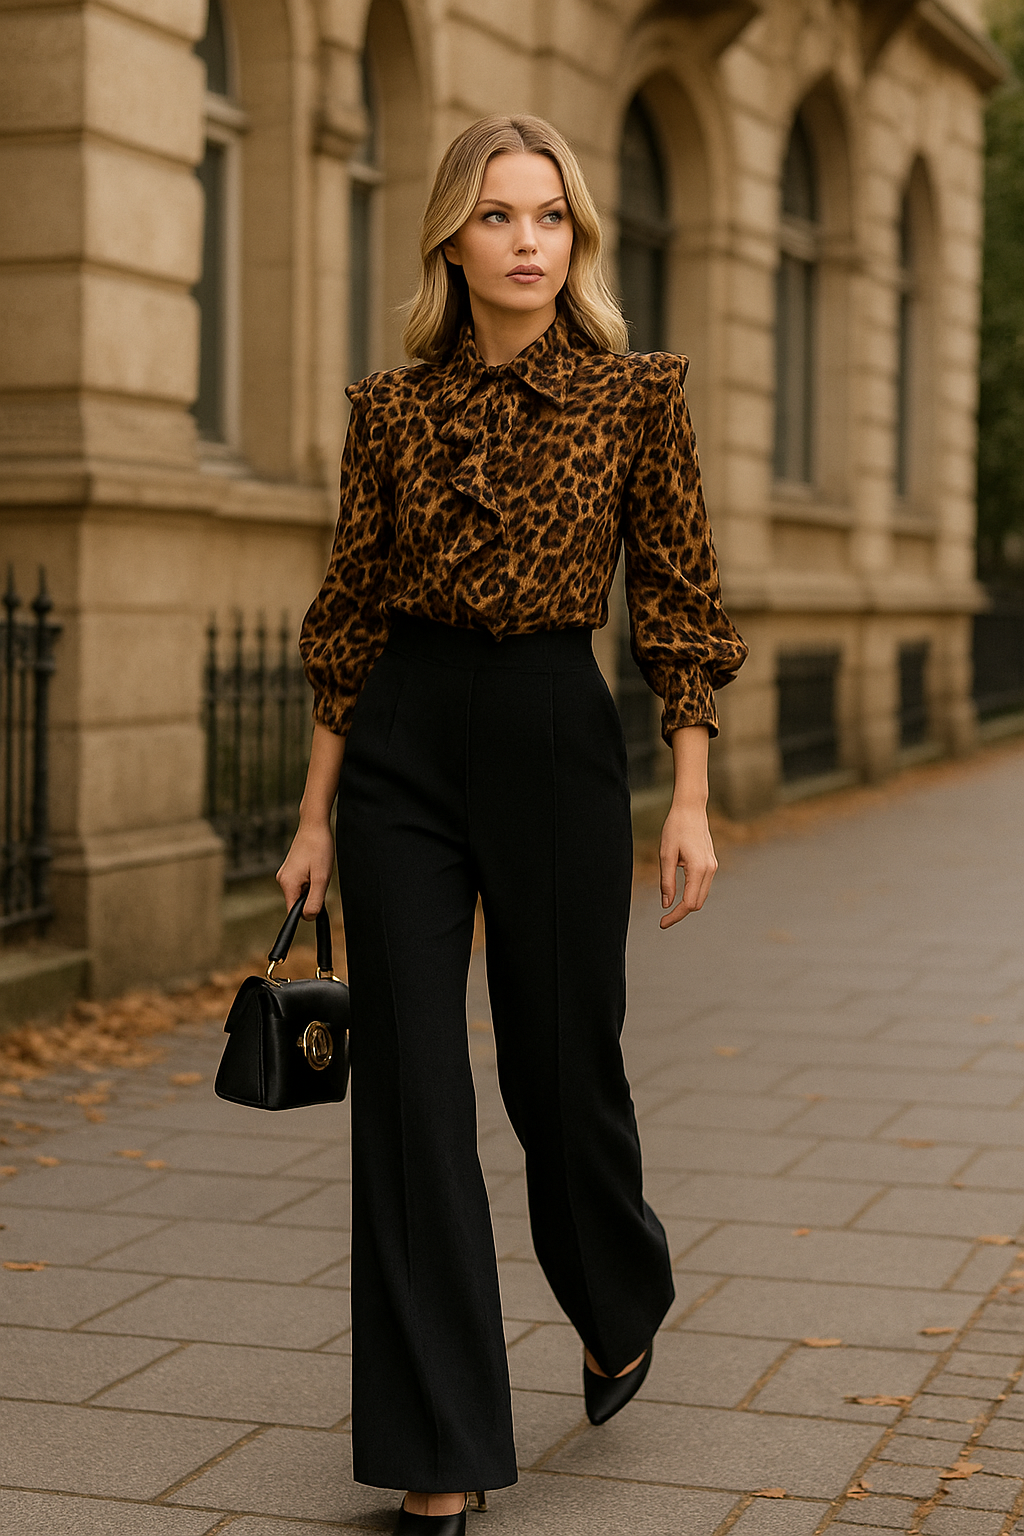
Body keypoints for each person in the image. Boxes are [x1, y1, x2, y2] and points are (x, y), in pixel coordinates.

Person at [278, 113, 747, 1535]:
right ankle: (443, 1445)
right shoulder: (388, 412)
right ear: (451, 239)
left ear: (577, 239)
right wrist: (311, 821)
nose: (528, 240)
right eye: (498, 216)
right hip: (406, 754)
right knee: (414, 1091)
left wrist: (691, 798)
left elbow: (676, 601)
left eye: (551, 217)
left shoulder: (636, 398)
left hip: (553, 737)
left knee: (560, 1070)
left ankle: (618, 1294)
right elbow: (351, 619)